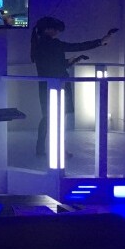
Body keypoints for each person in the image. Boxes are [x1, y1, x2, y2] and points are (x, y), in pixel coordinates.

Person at [30, 16, 114, 156]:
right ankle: (58, 150)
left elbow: (53, 64)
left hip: (46, 86)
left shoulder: (39, 45)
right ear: (48, 29)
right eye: (55, 29)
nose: (57, 32)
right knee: (58, 119)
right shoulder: (52, 44)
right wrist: (100, 42)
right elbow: (76, 46)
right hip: (58, 85)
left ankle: (42, 149)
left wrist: (72, 60)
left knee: (47, 117)